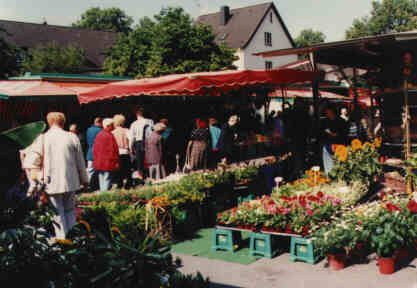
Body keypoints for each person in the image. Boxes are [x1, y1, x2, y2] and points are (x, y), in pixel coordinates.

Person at [42, 112, 88, 239]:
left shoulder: (43, 138)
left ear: (49, 122)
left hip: (51, 181)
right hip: (71, 180)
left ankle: (62, 240)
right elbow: (80, 161)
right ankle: (73, 239)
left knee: (57, 213)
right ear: (63, 122)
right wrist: (85, 179)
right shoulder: (72, 137)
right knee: (70, 211)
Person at [93, 118, 120, 192]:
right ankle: (104, 195)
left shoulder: (99, 134)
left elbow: (95, 149)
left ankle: (102, 193)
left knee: (101, 178)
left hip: (99, 161)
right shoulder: (109, 136)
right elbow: (113, 150)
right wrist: (116, 161)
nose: (113, 127)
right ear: (108, 126)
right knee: (107, 179)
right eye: (112, 125)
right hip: (108, 162)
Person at [321, 107, 349, 175]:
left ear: (332, 111)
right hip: (328, 145)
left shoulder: (341, 121)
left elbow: (345, 133)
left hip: (339, 146)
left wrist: (337, 135)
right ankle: (329, 177)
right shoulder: (325, 121)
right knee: (328, 165)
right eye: (326, 112)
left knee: (339, 164)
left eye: (328, 112)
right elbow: (322, 132)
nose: (327, 113)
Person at [129, 107, 154, 180]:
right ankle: (150, 176)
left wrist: (130, 148)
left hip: (138, 143)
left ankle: (141, 178)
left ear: (136, 114)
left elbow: (132, 137)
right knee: (149, 160)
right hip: (149, 142)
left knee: (140, 163)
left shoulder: (134, 124)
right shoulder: (150, 121)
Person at [112, 114, 133, 189]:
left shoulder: (113, 132)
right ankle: (129, 184)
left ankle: (119, 184)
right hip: (125, 151)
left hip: (117, 152)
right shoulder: (127, 130)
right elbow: (131, 140)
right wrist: (130, 148)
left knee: (119, 170)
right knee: (128, 169)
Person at [85, 117, 102, 187]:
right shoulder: (100, 130)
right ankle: (96, 184)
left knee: (90, 170)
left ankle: (88, 184)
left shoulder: (88, 130)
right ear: (99, 122)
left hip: (90, 152)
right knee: (99, 170)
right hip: (99, 152)